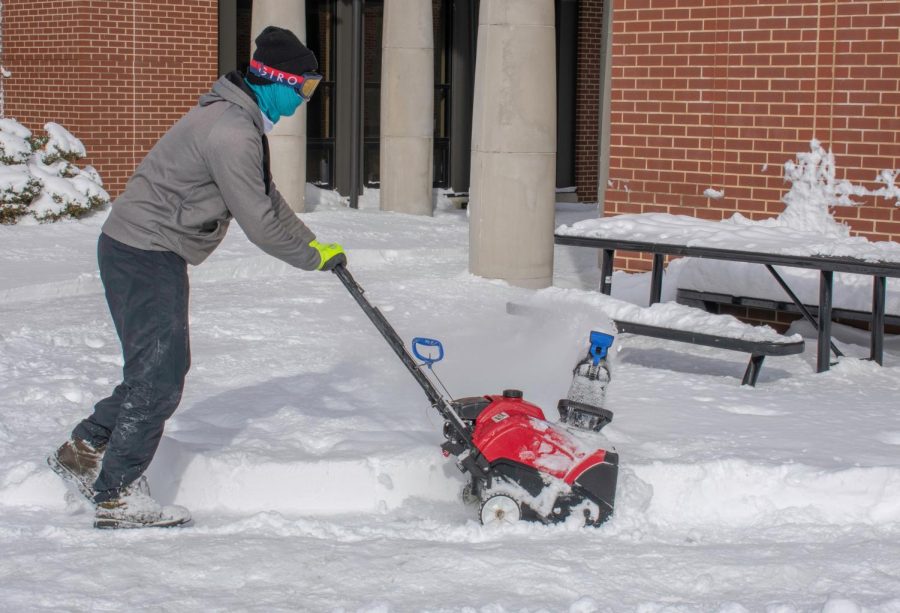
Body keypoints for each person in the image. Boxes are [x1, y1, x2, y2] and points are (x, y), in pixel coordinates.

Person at [47, 26, 345, 529]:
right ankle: (116, 495)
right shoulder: (232, 132)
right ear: (275, 80)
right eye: (303, 88)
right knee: (159, 376)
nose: (303, 100)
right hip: (143, 251)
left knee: (155, 369)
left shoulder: (239, 120)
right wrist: (311, 258)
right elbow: (259, 222)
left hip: (143, 248)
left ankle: (84, 449)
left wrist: (315, 244)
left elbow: (267, 198)